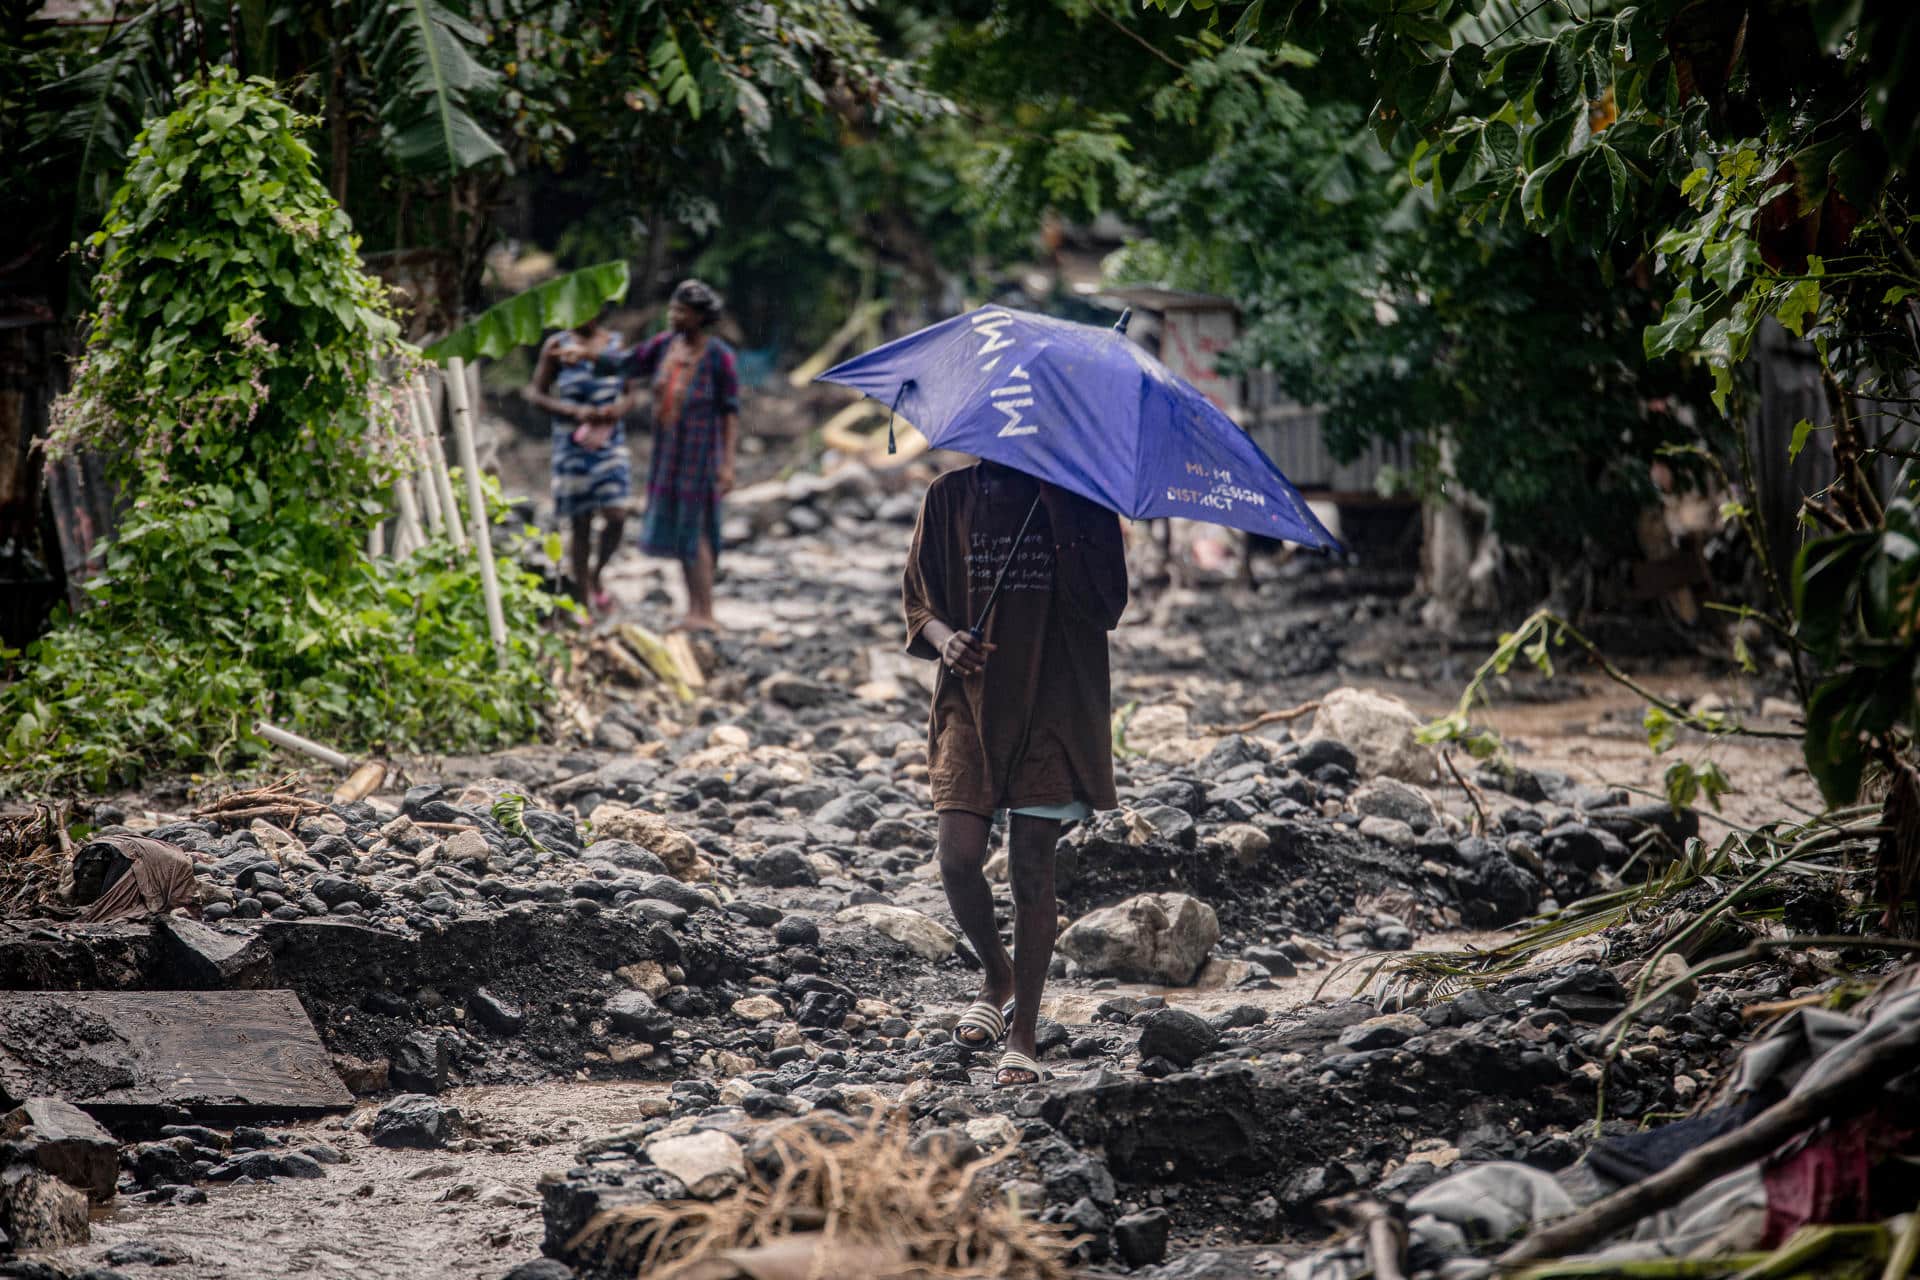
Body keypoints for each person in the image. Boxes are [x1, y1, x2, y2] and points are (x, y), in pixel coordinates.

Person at [901, 460, 1128, 1087]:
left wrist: (1061, 513)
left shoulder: (1083, 497)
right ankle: (996, 970)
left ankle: (1023, 1030)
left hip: (1054, 705)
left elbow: (1106, 605)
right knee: (957, 857)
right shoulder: (948, 497)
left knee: (1032, 863)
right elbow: (919, 602)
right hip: (969, 703)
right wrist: (947, 640)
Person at [598, 280, 739, 632]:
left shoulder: (719, 356)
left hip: (701, 455)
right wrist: (587, 355)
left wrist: (727, 464)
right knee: (680, 529)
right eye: (672, 309)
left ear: (700, 317)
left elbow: (730, 412)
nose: (673, 315)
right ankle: (692, 608)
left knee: (699, 530)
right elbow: (627, 363)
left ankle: (704, 612)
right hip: (669, 453)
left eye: (681, 311)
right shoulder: (665, 345)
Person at [526, 315, 629, 613]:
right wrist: (573, 410)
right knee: (580, 521)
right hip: (570, 443)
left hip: (610, 440)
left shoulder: (615, 345)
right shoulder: (558, 345)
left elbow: (632, 392)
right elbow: (535, 393)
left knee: (617, 514)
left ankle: (597, 576)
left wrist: (615, 411)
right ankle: (583, 599)